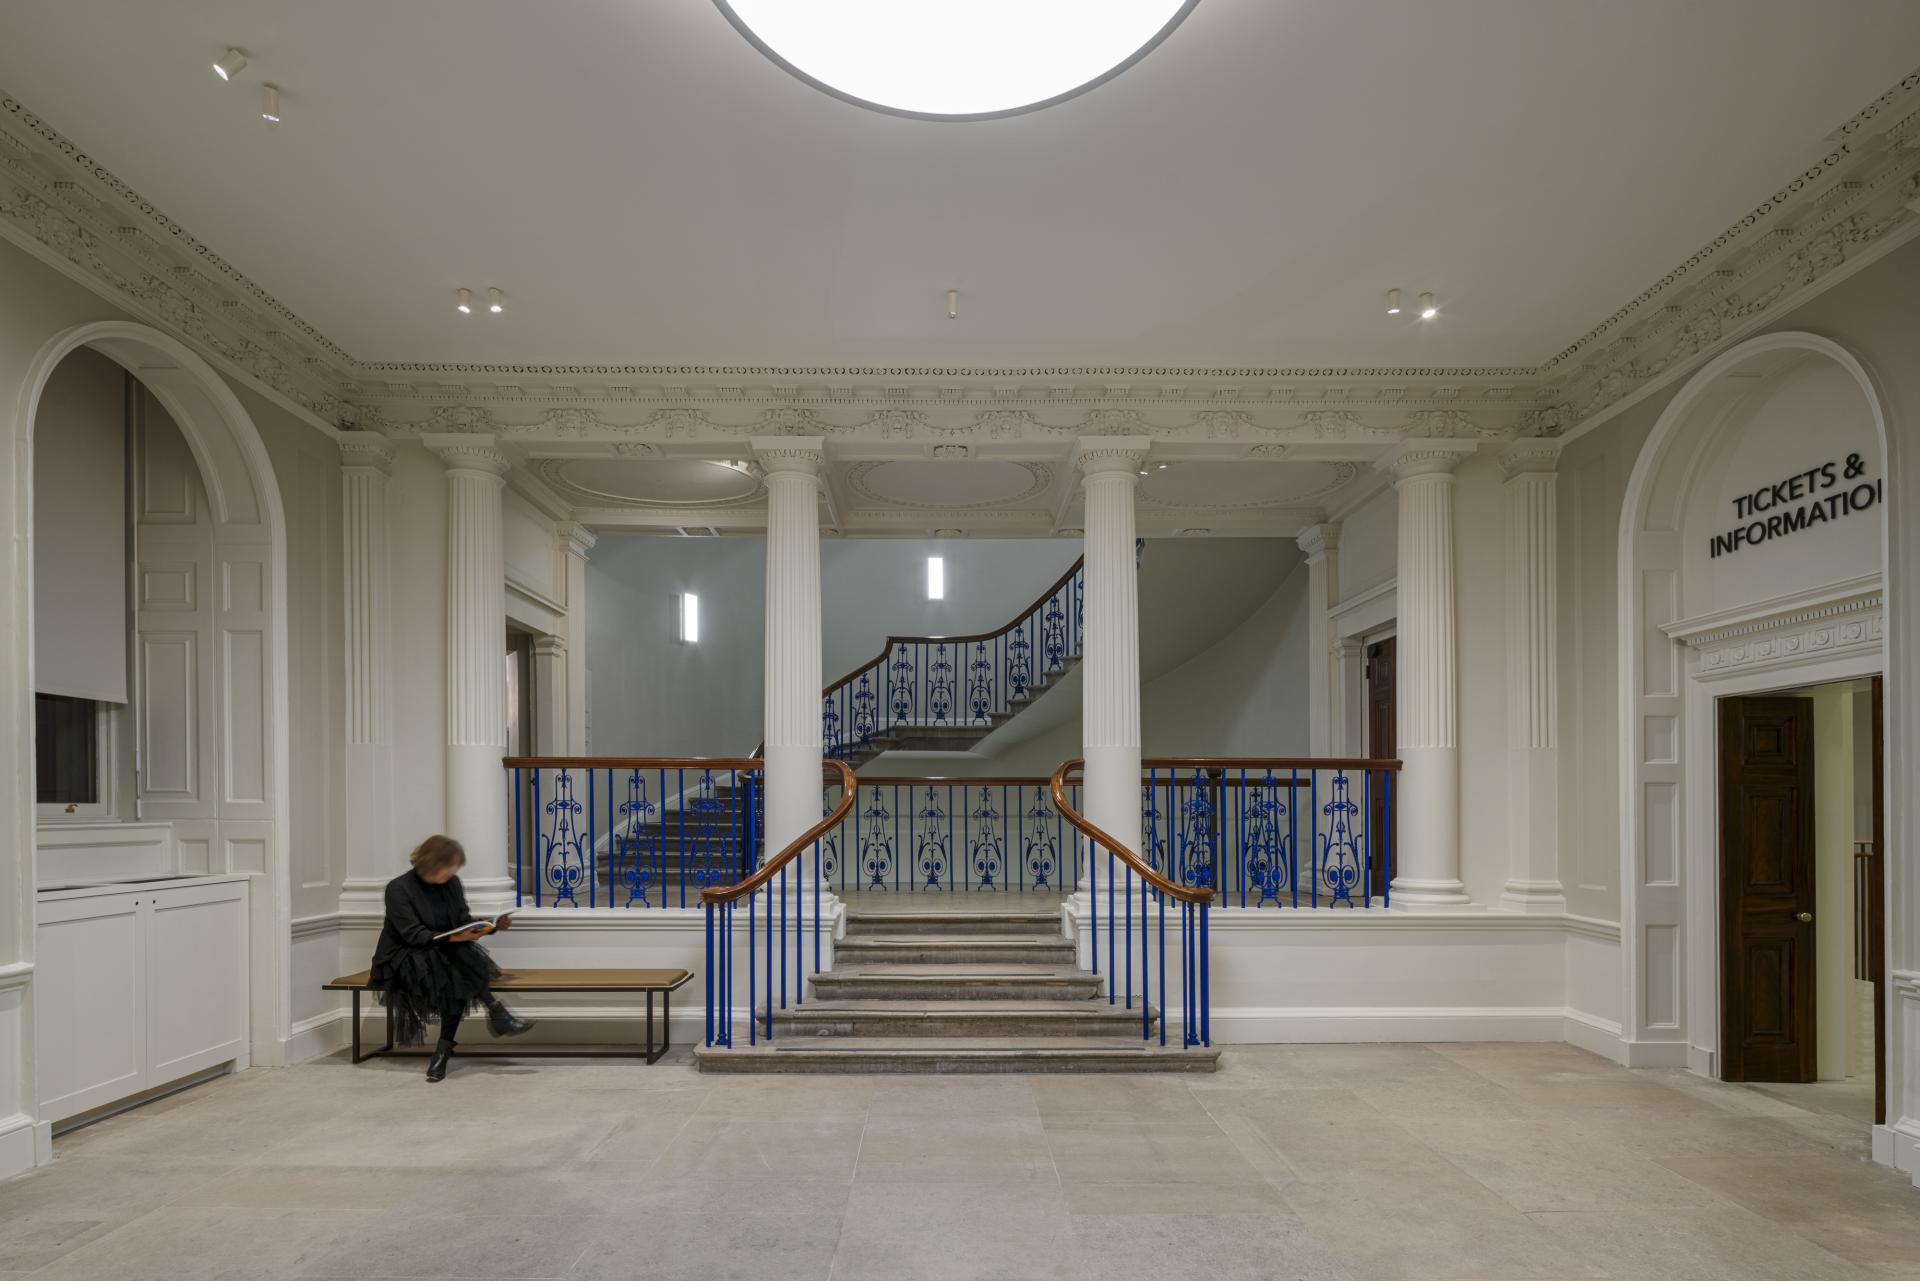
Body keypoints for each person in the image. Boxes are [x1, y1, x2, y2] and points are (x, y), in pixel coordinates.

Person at [370, 834, 533, 1082]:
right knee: (455, 967)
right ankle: (494, 1015)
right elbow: (412, 934)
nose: (452, 871)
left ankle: (445, 1050)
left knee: (455, 964)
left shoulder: (452, 883)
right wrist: (453, 938)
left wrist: (491, 926)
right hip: (404, 954)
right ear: (430, 862)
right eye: (448, 866)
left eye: (455, 866)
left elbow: (461, 920)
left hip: (444, 950)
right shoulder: (398, 888)